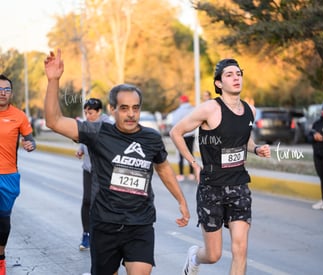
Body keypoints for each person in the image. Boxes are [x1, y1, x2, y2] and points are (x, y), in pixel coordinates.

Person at [44, 49, 190, 275]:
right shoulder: (97, 132)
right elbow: (53, 121)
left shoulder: (151, 138)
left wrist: (181, 199)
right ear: (112, 110)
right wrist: (54, 80)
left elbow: (162, 167)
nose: (131, 114)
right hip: (105, 224)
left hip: (140, 224)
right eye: (124, 108)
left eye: (135, 108)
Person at [169, 58, 271, 275]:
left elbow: (244, 140)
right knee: (213, 255)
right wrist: (194, 164)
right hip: (211, 187)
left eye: (238, 73)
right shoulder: (209, 109)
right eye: (229, 75)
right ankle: (195, 256)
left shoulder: (250, 110)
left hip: (239, 185)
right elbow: (176, 132)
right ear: (218, 83)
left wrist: (256, 149)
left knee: (240, 250)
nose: (236, 78)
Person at [0, 74, 36, 274]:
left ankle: (1, 259)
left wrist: (30, 145)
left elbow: (30, 139)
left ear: (11, 93)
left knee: (3, 221)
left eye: (6, 90)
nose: (2, 93)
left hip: (8, 176)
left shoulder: (19, 116)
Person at [76, 98, 113, 251]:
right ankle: (86, 234)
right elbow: (85, 139)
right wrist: (81, 149)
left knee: (104, 201)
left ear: (99, 112)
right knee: (87, 200)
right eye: (85, 113)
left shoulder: (108, 125)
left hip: (104, 170)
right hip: (89, 168)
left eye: (90, 113)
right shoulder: (88, 124)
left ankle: (106, 235)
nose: (88, 116)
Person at [170, 95, 195, 181]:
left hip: (181, 135)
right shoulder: (193, 109)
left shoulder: (178, 111)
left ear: (181, 101)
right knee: (190, 153)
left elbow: (174, 122)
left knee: (181, 154)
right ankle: (191, 173)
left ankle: (181, 174)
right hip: (191, 134)